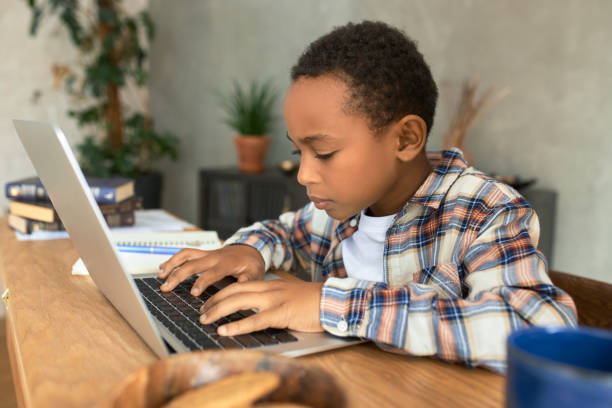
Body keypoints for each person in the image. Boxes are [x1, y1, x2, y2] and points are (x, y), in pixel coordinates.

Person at [158, 21, 577, 372]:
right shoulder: (340, 212)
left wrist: (331, 303)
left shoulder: (484, 212)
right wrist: (249, 250)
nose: (305, 174)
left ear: (406, 138)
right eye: (297, 151)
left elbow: (531, 328)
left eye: (323, 152)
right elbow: (285, 233)